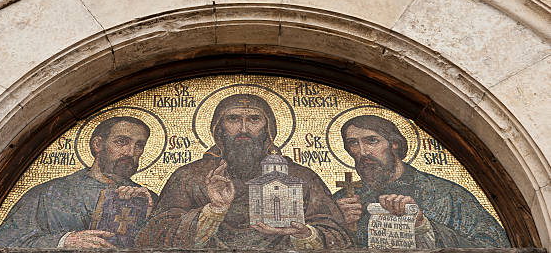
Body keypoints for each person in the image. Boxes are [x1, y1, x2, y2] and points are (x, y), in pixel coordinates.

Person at [137, 94, 351, 249]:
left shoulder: (301, 178)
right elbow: (155, 236)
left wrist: (304, 234)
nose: (243, 129)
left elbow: (339, 236)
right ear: (219, 128)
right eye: (233, 119)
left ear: (268, 129)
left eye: (254, 120)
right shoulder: (189, 176)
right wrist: (214, 210)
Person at [333, 114, 510, 248]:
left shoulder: (446, 194)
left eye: (372, 141)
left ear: (394, 144)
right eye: (353, 143)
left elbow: (495, 246)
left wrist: (423, 226)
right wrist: (339, 227)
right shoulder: (343, 200)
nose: (363, 152)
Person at [0, 116, 157, 248]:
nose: (130, 152)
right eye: (122, 142)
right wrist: (64, 242)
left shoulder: (148, 200)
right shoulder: (48, 193)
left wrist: (148, 214)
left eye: (139, 145)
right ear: (98, 144)